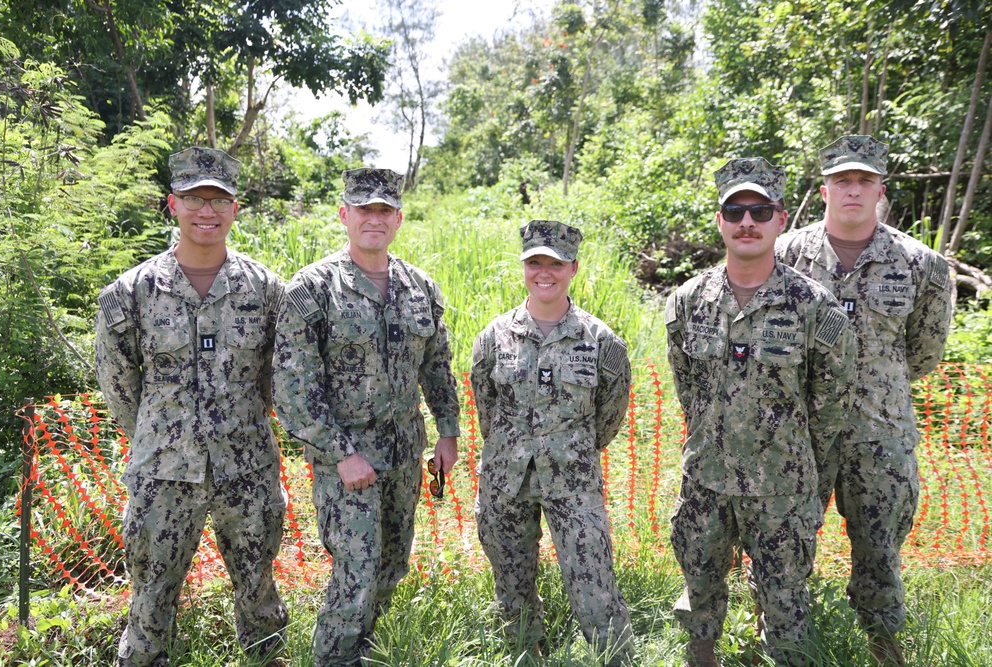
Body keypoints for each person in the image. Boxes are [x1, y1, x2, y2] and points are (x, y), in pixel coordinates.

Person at [95, 147, 289, 666]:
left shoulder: (267, 290)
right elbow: (119, 384)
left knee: (260, 597)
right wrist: (161, 436)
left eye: (219, 200)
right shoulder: (131, 292)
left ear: (235, 209)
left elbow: (281, 374)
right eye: (194, 198)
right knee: (150, 599)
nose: (207, 210)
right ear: (172, 205)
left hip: (246, 470)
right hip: (162, 473)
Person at [665, 158, 857, 666]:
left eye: (759, 210)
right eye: (735, 210)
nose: (746, 221)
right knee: (700, 595)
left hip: (782, 490)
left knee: (786, 606)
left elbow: (831, 404)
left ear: (780, 218)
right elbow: (689, 388)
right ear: (720, 219)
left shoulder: (816, 306)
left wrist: (802, 475)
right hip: (706, 482)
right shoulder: (688, 301)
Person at [272, 168, 460, 666]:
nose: (373, 219)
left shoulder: (421, 287)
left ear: (397, 219)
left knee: (392, 564)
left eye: (383, 211)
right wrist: (342, 455)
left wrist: (448, 431)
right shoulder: (312, 289)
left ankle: (363, 653)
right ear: (344, 216)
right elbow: (292, 388)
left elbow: (437, 367)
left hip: (404, 454)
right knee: (356, 571)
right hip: (347, 461)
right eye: (363, 210)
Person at [776, 136, 953, 665]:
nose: (853, 190)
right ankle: (783, 642)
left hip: (881, 434)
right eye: (843, 181)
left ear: (880, 189)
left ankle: (884, 646)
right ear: (825, 188)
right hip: (799, 431)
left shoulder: (922, 264)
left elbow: (923, 351)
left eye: (865, 181)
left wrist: (876, 387)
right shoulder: (785, 254)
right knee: (786, 542)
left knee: (880, 549)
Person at [470, 220, 635, 666]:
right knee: (512, 585)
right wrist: (513, 448)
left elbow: (610, 415)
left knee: (594, 586)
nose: (545, 272)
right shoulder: (492, 338)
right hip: (506, 482)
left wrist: (572, 449)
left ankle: (615, 658)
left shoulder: (602, 342)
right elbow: (487, 408)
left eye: (556, 264)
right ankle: (526, 656)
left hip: (574, 483)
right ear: (524, 267)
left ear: (573, 268)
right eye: (535, 263)